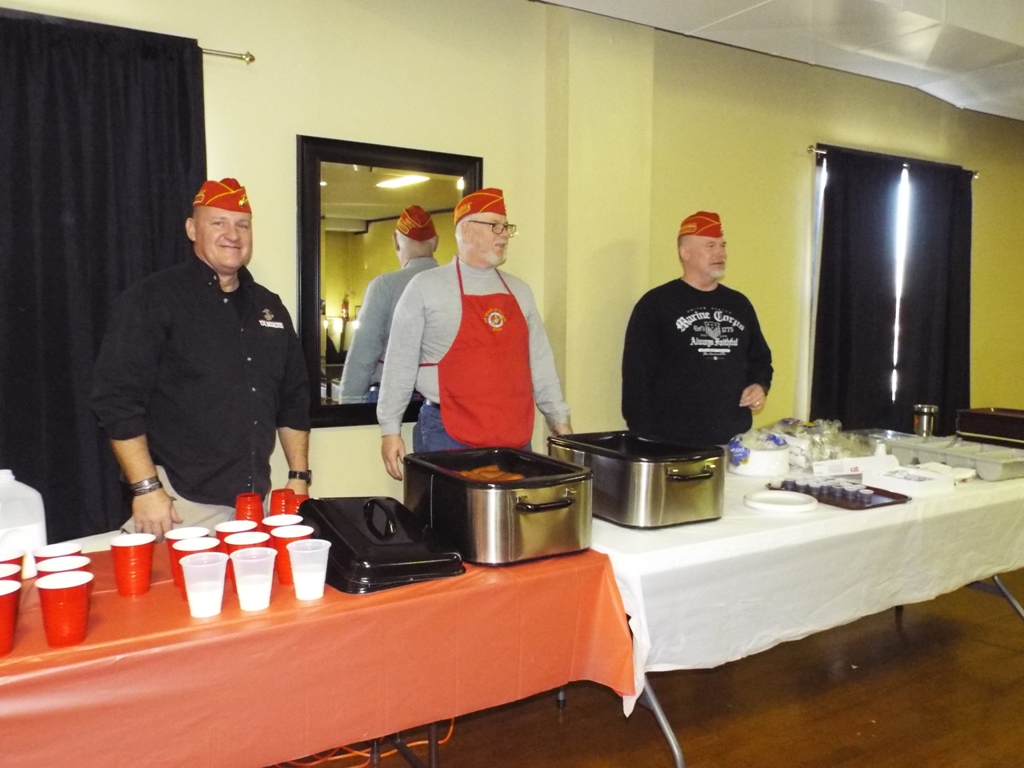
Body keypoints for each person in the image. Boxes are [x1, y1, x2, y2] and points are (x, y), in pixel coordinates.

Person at [91, 178, 312, 538]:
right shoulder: (153, 299)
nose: (233, 234)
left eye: (242, 224)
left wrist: (299, 476)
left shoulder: (269, 307)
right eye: (218, 223)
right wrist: (146, 488)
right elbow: (116, 399)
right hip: (178, 505)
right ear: (192, 229)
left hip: (256, 505)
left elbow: (294, 399)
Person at [377, 188, 571, 480]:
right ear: (466, 230)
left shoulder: (520, 291)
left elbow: (541, 363)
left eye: (506, 227)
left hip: (515, 436)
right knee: (449, 510)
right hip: (446, 433)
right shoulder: (425, 287)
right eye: (495, 226)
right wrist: (390, 429)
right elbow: (399, 363)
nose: (504, 235)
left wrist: (560, 423)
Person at [621, 210, 773, 445]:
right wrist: (645, 438)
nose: (720, 253)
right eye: (710, 246)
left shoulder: (739, 304)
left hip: (731, 438)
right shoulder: (657, 304)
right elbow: (636, 376)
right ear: (685, 253)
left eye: (722, 245)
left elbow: (760, 359)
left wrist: (759, 385)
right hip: (670, 441)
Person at [338, 205, 440, 403]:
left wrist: (348, 402)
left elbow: (364, 350)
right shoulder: (454, 285)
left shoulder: (385, 286)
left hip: (391, 398)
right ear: (436, 242)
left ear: (395, 241)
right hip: (441, 401)